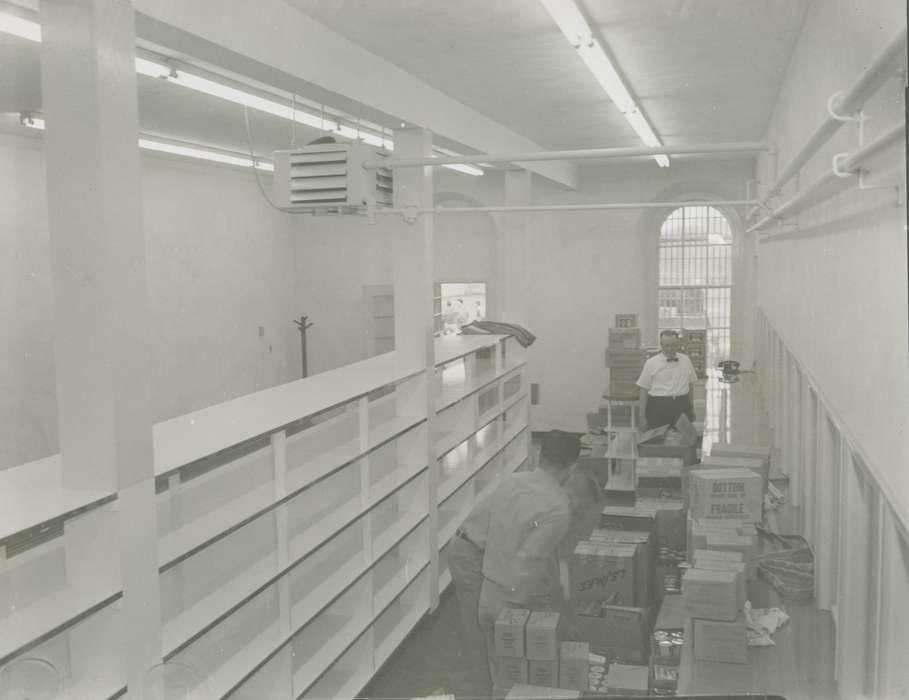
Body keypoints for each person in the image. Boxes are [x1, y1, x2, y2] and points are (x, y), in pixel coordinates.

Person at [477, 430, 580, 684]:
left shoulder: (510, 482)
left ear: (538, 455)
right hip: (516, 607)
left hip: (488, 596)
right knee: (529, 683)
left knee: (500, 679)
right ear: (572, 467)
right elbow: (530, 559)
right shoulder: (558, 506)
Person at [445, 493, 492, 667]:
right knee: (476, 617)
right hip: (467, 550)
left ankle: (489, 668)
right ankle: (482, 674)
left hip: (479, 549)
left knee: (482, 613)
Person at [636, 329, 698, 430]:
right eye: (666, 345)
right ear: (661, 345)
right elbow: (643, 391)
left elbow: (690, 386)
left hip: (682, 406)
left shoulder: (686, 360)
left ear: (678, 343)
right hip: (658, 408)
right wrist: (642, 418)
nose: (670, 349)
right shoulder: (650, 363)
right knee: (658, 442)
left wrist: (692, 409)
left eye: (673, 345)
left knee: (684, 442)